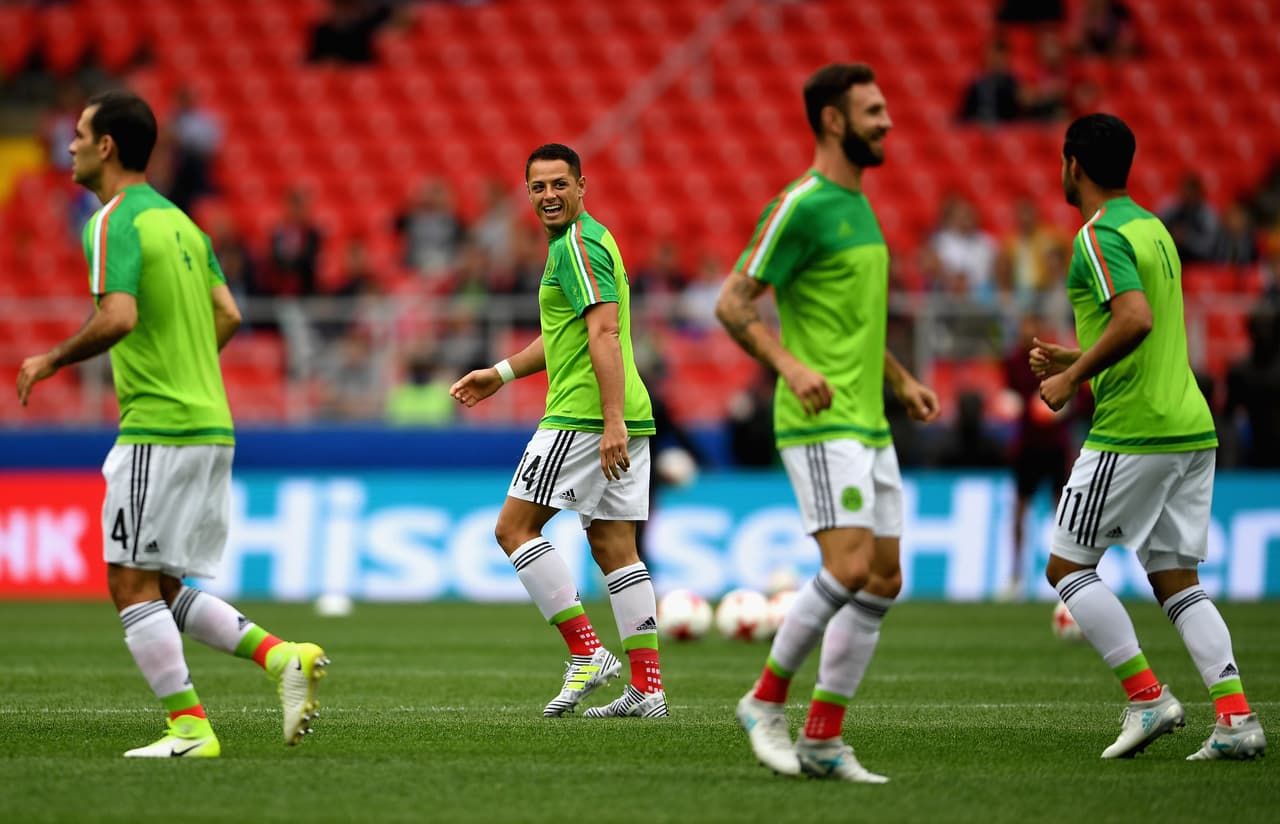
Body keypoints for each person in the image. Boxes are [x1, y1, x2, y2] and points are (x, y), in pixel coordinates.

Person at [16, 90, 328, 758]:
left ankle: (189, 728)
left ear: (106, 146)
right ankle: (283, 658)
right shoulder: (184, 223)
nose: (68, 145)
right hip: (210, 423)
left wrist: (52, 358)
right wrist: (186, 367)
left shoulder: (111, 221)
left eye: (79, 134)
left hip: (160, 427)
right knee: (162, 585)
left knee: (128, 583)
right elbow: (230, 314)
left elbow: (119, 316)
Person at [715, 64, 941, 783]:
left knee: (883, 578)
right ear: (834, 121)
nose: (888, 122)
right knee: (846, 568)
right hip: (820, 422)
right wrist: (789, 366)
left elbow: (856, 326)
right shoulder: (802, 205)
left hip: (869, 421)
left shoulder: (861, 207)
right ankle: (764, 701)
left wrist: (901, 381)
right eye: (873, 111)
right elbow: (732, 302)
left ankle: (822, 738)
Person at [1031, 113, 1265, 761]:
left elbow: (1135, 318)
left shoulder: (1097, 234)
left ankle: (1147, 698)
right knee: (1175, 579)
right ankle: (1236, 718)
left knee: (1066, 566)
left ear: (1073, 165)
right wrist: (1077, 357)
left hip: (1135, 430)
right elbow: (1141, 326)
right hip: (1190, 424)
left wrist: (1071, 377)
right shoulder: (1154, 228)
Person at [449, 144, 667, 719]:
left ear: (581, 186)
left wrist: (610, 419)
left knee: (513, 528)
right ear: (528, 193)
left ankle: (587, 653)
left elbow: (604, 334)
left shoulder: (575, 245)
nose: (548, 195)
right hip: (622, 414)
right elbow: (565, 335)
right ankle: (648, 689)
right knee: (615, 547)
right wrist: (500, 373)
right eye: (538, 187)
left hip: (585, 416)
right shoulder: (591, 240)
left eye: (559, 184)